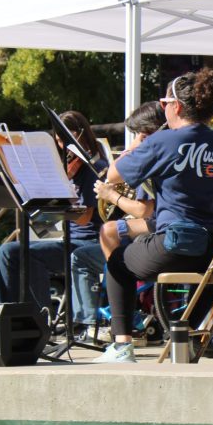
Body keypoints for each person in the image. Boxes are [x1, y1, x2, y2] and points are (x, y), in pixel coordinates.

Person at [95, 69, 213, 363]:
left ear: (176, 106)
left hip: (180, 246)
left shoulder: (163, 142)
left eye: (164, 102)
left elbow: (113, 175)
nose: (162, 107)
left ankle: (123, 345)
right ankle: (185, 334)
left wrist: (138, 146)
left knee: (117, 262)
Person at [0, 111, 105, 321]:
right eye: (58, 139)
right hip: (67, 239)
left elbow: (84, 218)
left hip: (86, 242)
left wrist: (59, 209)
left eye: (65, 138)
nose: (62, 145)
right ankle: (4, 318)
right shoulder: (64, 169)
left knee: (30, 255)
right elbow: (47, 223)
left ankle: (39, 320)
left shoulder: (93, 168)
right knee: (8, 251)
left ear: (79, 134)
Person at [68, 101, 164, 338]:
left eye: (139, 136)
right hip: (160, 227)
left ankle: (105, 320)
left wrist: (112, 195)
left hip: (156, 230)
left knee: (104, 237)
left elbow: (145, 211)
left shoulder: (149, 160)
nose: (134, 143)